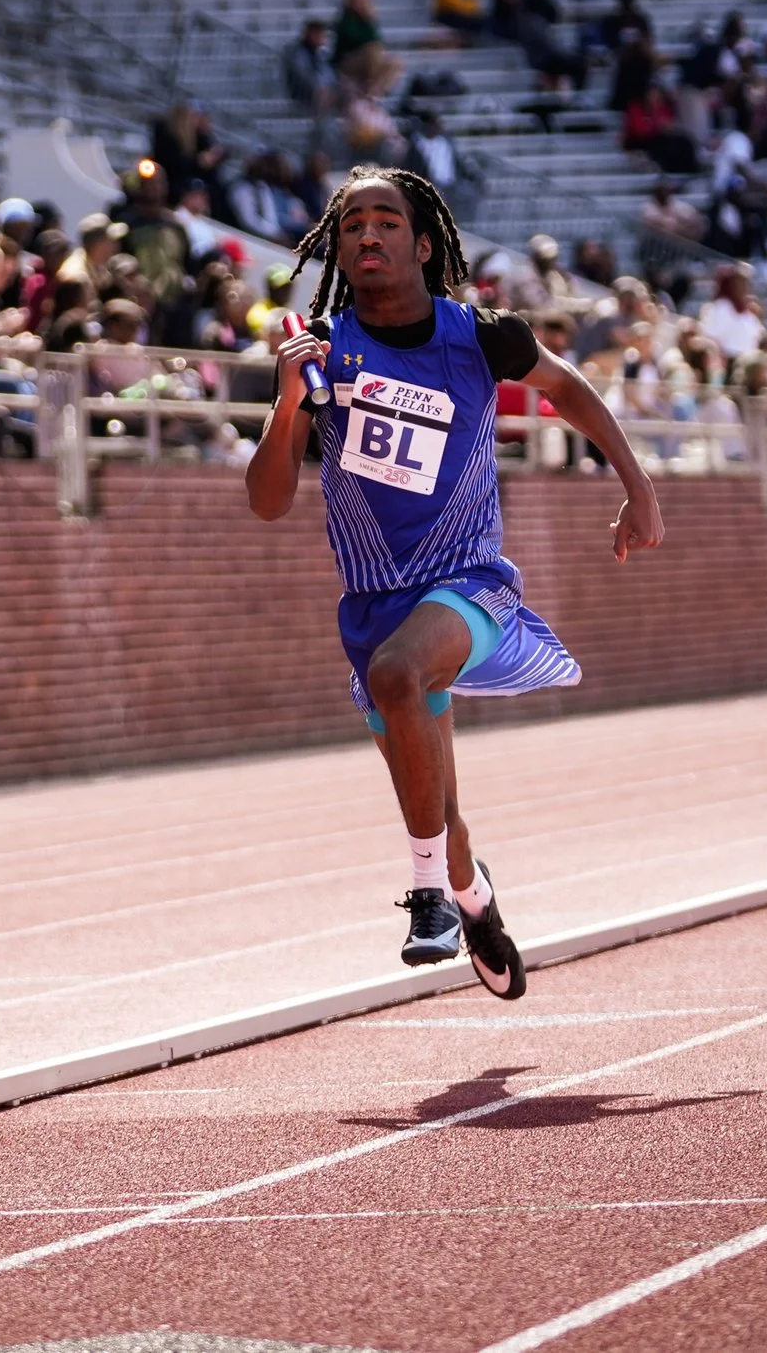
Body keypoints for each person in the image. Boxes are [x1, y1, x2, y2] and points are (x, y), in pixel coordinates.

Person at [247, 167, 662, 998]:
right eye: (352, 223)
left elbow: (571, 389)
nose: (368, 234)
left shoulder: (482, 335)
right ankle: (474, 899)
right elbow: (267, 502)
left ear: (423, 242)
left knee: (401, 675)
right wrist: (290, 402)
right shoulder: (320, 349)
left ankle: (429, 895)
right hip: (371, 607)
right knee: (437, 803)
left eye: (386, 221)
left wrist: (638, 485)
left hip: (470, 584)